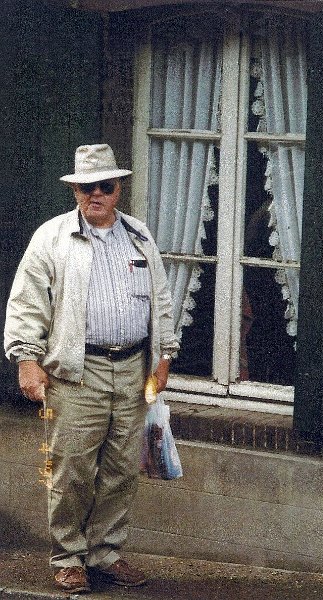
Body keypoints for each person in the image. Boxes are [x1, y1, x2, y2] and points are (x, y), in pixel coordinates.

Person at [4, 144, 179, 593]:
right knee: (72, 470)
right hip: (78, 372)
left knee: (122, 469)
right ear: (75, 190)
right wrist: (27, 359)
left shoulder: (139, 236)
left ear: (119, 188)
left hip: (133, 368)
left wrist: (163, 358)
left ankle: (106, 554)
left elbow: (160, 301)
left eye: (106, 186)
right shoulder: (52, 237)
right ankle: (68, 558)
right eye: (87, 187)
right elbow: (27, 302)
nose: (96, 194)